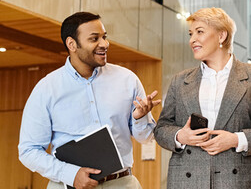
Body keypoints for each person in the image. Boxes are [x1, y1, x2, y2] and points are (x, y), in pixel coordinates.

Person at [18, 12, 159, 189]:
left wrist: (140, 117)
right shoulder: (46, 89)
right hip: (68, 185)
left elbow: (146, 137)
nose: (104, 44)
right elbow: (28, 151)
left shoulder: (127, 80)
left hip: (122, 183)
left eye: (104, 37)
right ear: (72, 44)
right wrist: (70, 174)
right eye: (94, 39)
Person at [153, 8, 251, 188]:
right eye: (190, 34)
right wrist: (181, 136)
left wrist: (236, 139)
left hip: (236, 180)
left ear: (221, 36)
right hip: (186, 180)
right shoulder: (180, 80)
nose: (192, 40)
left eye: (199, 32)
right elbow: (161, 129)